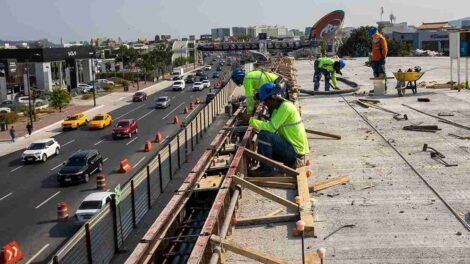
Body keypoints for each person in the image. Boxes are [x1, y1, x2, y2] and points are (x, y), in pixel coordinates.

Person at [249, 83, 310, 175]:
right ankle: (268, 166)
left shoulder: (286, 107)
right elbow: (273, 126)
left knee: (264, 135)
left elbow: (271, 128)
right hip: (293, 149)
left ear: (273, 98)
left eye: (265, 102)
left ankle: (267, 170)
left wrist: (250, 120)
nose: (265, 105)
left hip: (296, 153)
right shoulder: (277, 110)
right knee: (265, 146)